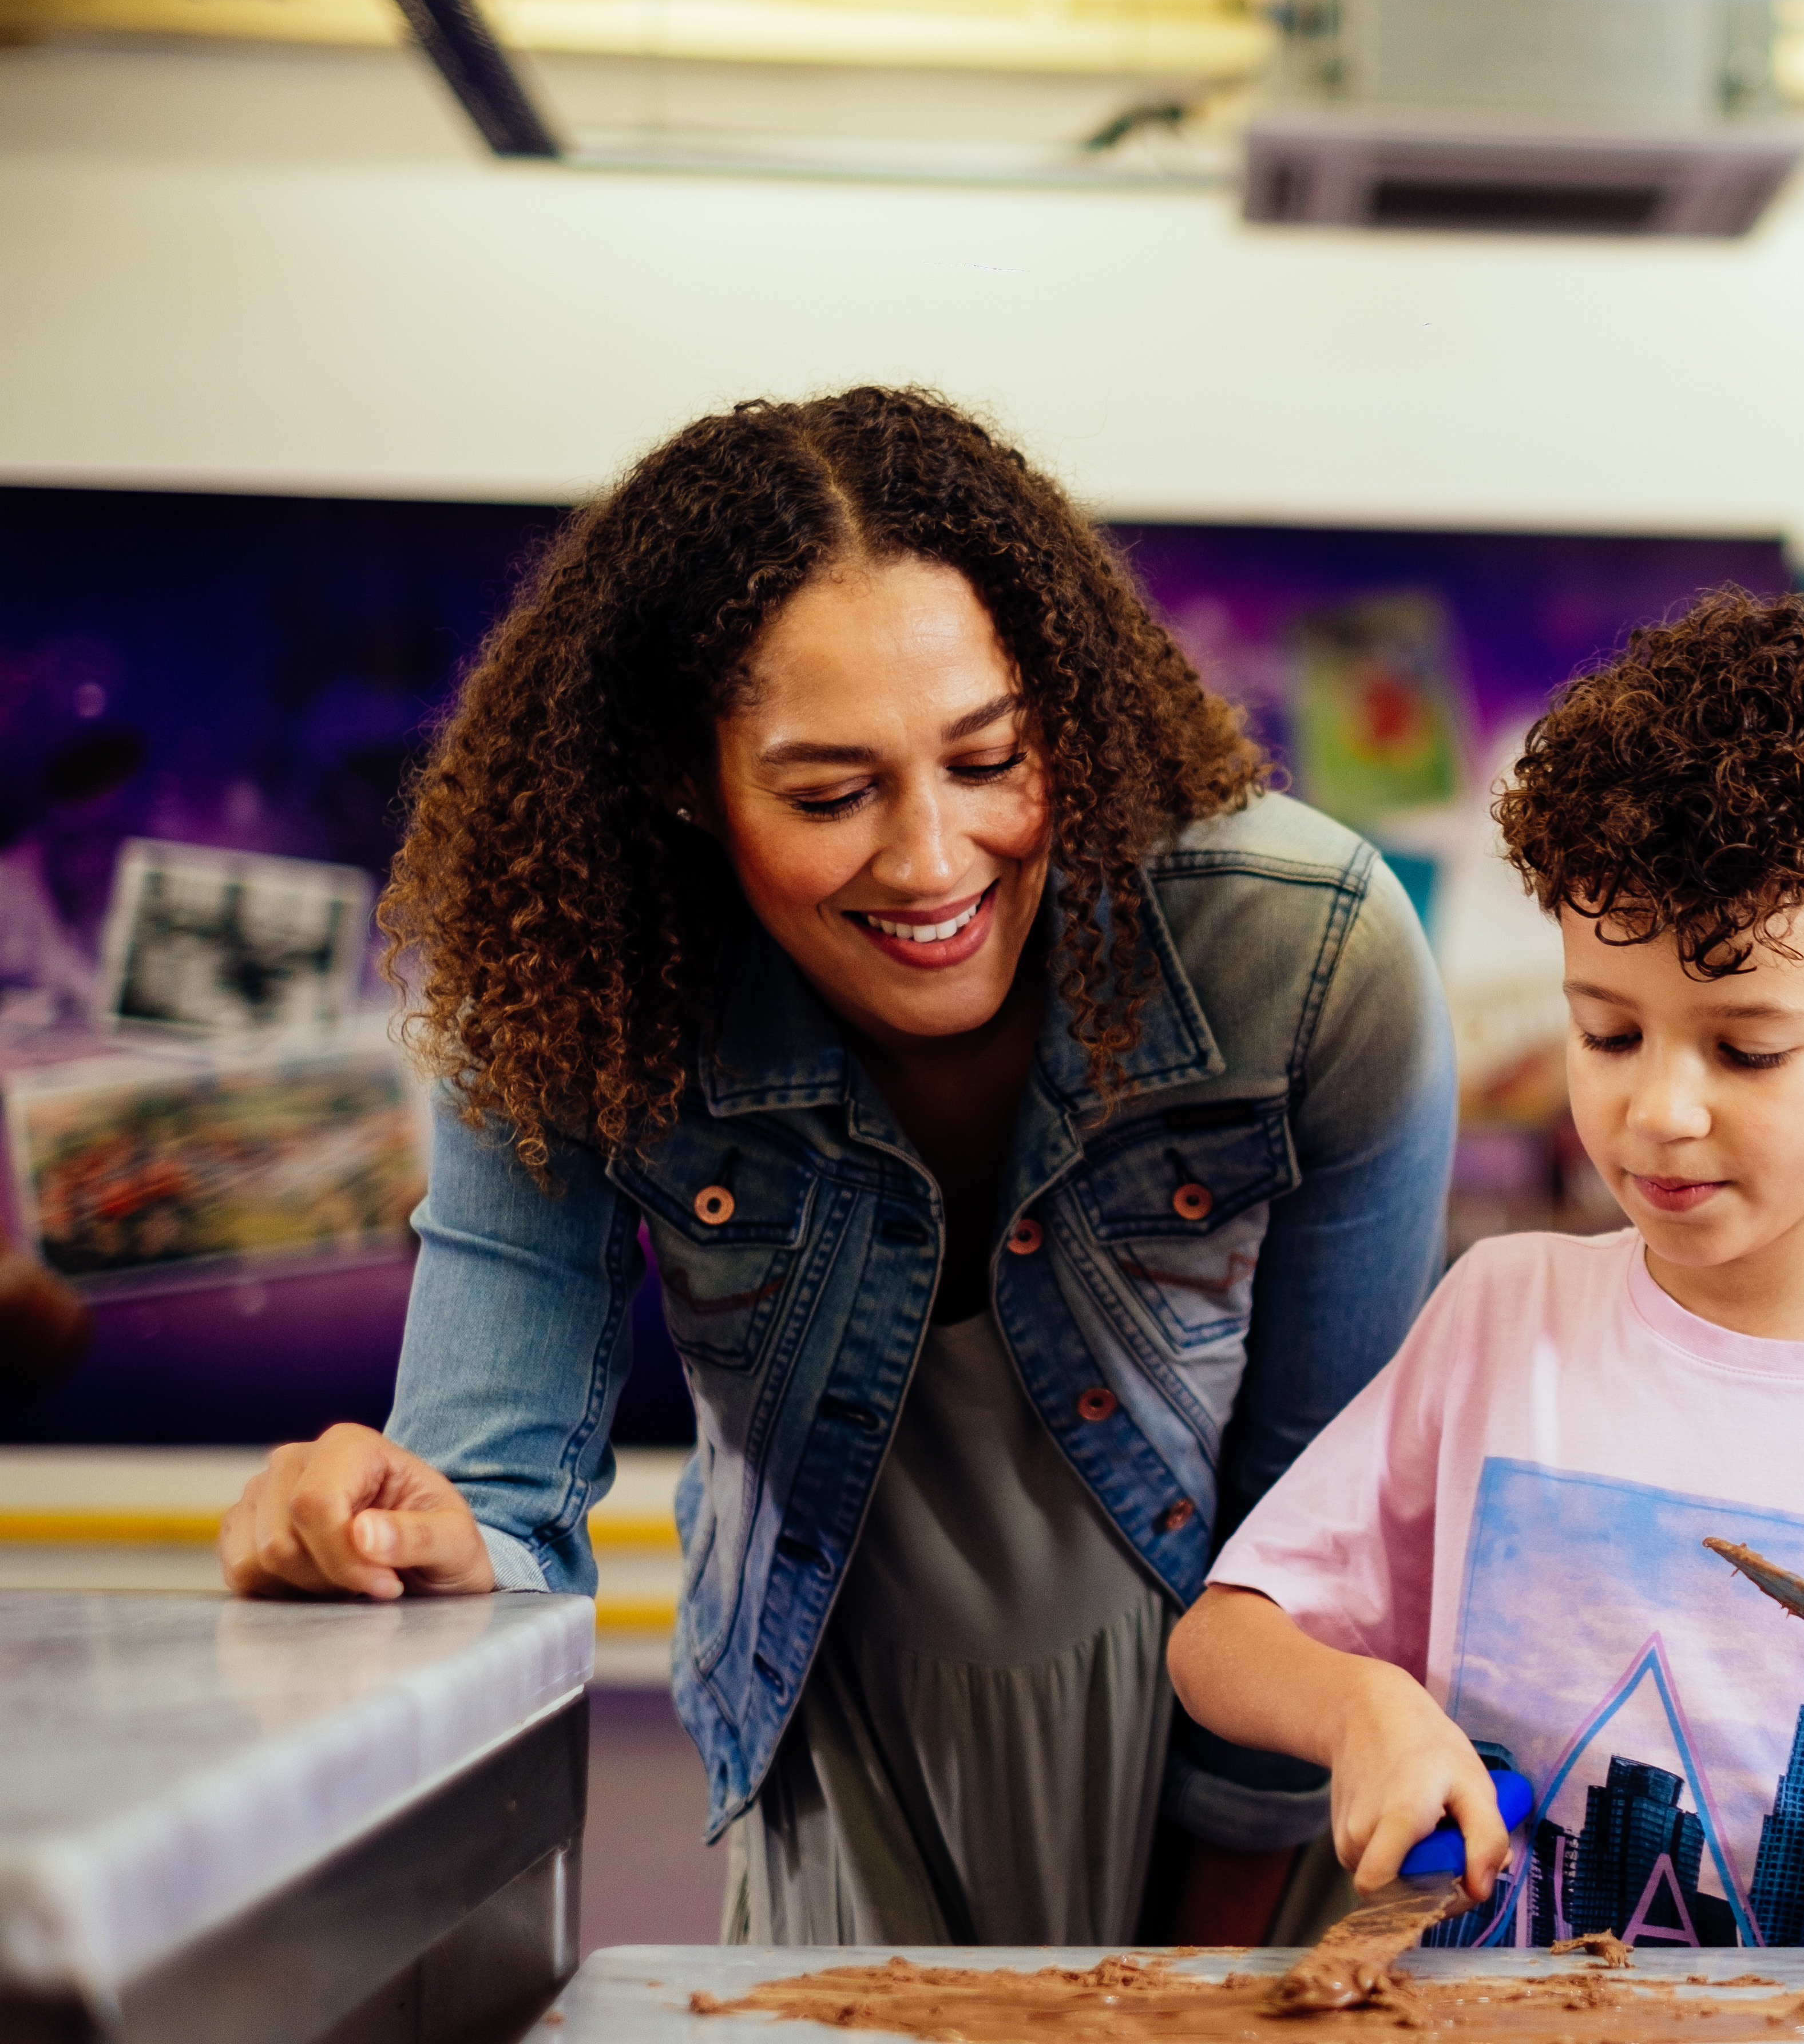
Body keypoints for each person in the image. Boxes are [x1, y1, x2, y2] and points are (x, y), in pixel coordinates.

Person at [215, 387, 1457, 1951]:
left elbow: (1318, 1525)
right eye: (830, 793)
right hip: (841, 1754)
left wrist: (1197, 1971)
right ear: (688, 781)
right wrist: (402, 1537)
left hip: (1234, 1769)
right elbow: (497, 1502)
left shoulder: (1307, 953)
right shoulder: (577, 983)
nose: (935, 860)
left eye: (991, 758)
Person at [1168, 591, 1804, 1947]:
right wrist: (1362, 1704)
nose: (1661, 1108)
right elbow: (1220, 1643)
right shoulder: (1503, 1314)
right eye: (1609, 1033)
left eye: (1746, 1049)